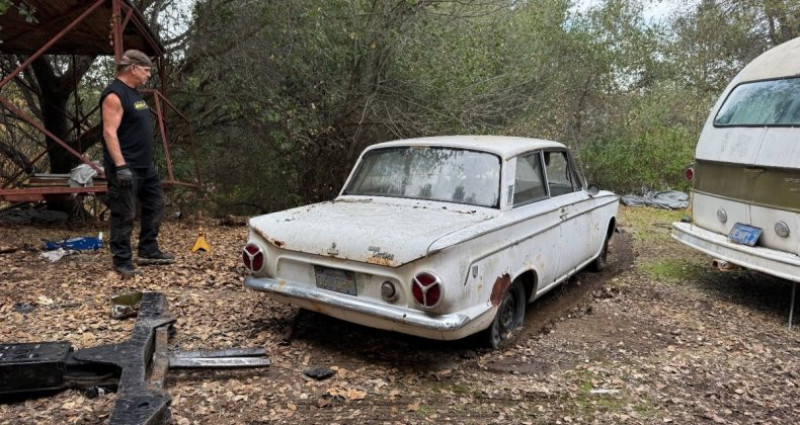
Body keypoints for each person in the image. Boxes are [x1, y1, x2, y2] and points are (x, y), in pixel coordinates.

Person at [101, 49, 174, 277]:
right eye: (146, 70)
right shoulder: (114, 95)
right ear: (132, 68)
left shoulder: (135, 93)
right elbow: (109, 132)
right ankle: (122, 260)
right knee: (125, 213)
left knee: (156, 204)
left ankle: (148, 250)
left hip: (145, 166)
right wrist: (121, 167)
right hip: (125, 167)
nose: (148, 74)